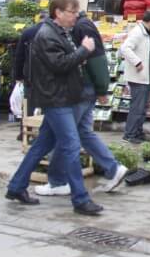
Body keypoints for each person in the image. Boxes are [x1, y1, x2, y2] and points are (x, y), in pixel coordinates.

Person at [4, 0, 105, 215]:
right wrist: (84, 50)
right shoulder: (48, 34)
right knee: (70, 144)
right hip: (55, 98)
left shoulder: (60, 32)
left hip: (61, 96)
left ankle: (16, 186)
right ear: (58, 12)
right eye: (72, 12)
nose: (75, 16)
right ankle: (80, 199)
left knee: (42, 144)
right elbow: (60, 64)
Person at [33, 12, 128, 197]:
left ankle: (58, 182)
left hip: (81, 89)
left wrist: (101, 88)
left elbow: (95, 59)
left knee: (64, 137)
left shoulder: (81, 27)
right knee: (83, 132)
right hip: (87, 89)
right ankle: (113, 168)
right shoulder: (81, 26)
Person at [118, 10, 150, 144]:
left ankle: (138, 132)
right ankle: (130, 134)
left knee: (142, 107)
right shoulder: (138, 32)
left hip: (146, 76)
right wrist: (137, 62)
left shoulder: (146, 31)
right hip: (139, 77)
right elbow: (125, 48)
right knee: (137, 106)